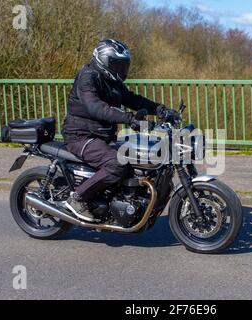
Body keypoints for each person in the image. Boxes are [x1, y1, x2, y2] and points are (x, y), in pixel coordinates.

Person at [62, 39, 176, 222]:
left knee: (135, 158)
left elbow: (132, 99)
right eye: (117, 63)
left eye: (124, 64)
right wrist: (129, 118)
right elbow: (96, 107)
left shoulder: (111, 81)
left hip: (101, 135)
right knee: (117, 163)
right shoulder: (87, 77)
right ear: (104, 61)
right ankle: (77, 198)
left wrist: (161, 109)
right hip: (80, 136)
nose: (122, 68)